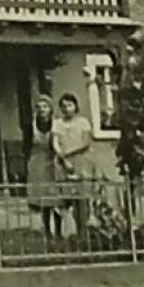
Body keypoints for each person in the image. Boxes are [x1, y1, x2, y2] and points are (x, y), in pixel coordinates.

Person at [52, 92, 98, 230]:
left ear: (76, 106)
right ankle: (63, 231)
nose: (67, 108)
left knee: (83, 198)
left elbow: (85, 143)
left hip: (81, 161)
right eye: (63, 106)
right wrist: (62, 157)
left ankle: (82, 229)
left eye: (70, 105)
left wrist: (68, 153)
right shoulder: (57, 123)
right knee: (64, 198)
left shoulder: (83, 122)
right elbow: (55, 142)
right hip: (64, 163)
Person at [25, 95, 67, 238]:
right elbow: (26, 145)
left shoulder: (56, 124)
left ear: (50, 109)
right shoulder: (31, 126)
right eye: (39, 107)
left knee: (57, 198)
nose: (42, 110)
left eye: (45, 106)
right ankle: (47, 230)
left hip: (54, 162)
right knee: (43, 199)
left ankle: (59, 230)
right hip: (38, 163)